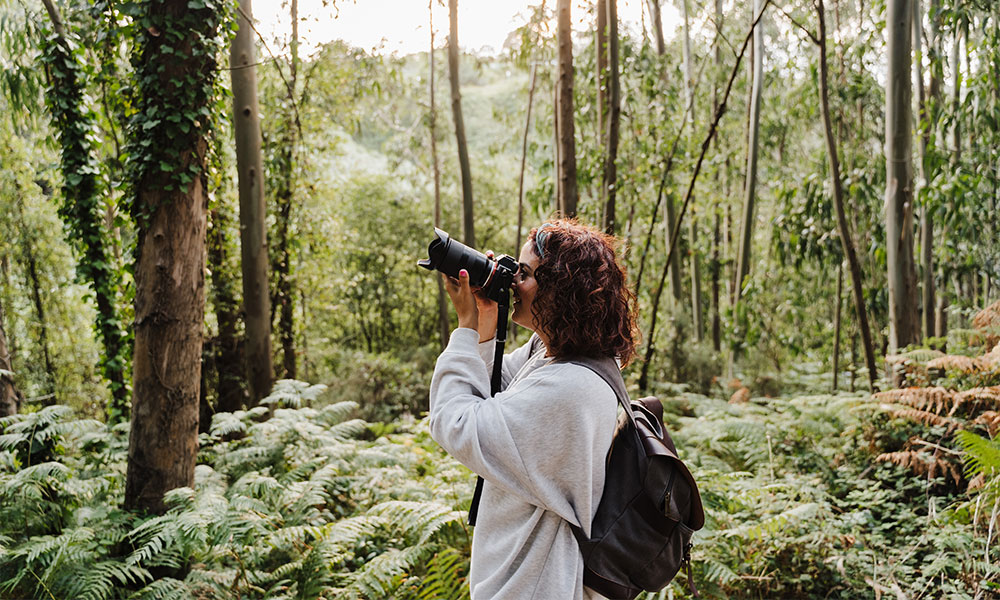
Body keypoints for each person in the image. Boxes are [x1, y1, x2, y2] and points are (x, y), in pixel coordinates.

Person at [429, 218, 639, 599]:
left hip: (534, 586)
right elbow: (495, 388)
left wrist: (464, 328)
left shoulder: (571, 389)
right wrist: (486, 322)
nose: (512, 283)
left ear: (560, 290)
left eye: (523, 274)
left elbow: (455, 421)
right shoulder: (557, 356)